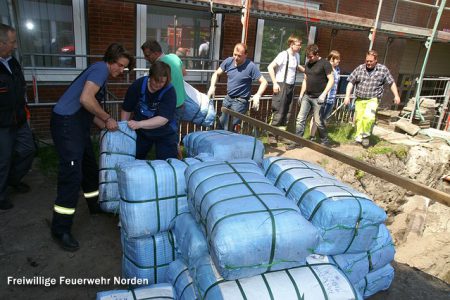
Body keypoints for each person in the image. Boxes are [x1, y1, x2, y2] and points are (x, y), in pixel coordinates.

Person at [50, 43, 133, 251]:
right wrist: (107, 118)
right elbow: (86, 99)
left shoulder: (101, 75)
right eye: (121, 66)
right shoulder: (99, 69)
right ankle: (60, 229)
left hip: (78, 125)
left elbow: (88, 110)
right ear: (111, 60)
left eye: (124, 67)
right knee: (72, 175)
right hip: (67, 125)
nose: (121, 71)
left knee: (89, 166)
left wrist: (105, 126)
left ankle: (94, 205)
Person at [0, 24, 36, 210]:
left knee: (28, 150)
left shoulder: (12, 63)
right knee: (3, 159)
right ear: (1, 42)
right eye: (12, 42)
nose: (14, 46)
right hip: (2, 124)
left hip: (19, 119)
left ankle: (13, 180)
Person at [121, 61, 178, 160]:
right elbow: (127, 109)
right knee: (134, 159)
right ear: (149, 76)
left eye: (162, 82)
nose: (158, 85)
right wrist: (123, 130)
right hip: (142, 133)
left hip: (165, 132)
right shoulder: (137, 86)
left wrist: (139, 124)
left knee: (167, 163)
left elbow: (162, 119)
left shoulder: (169, 91)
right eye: (156, 80)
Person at [344, 50, 400, 145]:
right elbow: (350, 82)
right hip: (360, 99)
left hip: (373, 99)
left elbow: (391, 82)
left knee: (369, 117)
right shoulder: (360, 69)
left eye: (371, 61)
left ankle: (365, 135)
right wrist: (347, 96)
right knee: (359, 119)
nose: (368, 63)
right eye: (367, 61)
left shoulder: (382, 70)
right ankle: (358, 139)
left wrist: (396, 95)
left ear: (376, 60)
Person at [207, 43, 267, 130]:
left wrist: (258, 95)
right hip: (228, 99)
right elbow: (216, 73)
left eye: (239, 56)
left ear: (245, 55)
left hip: (240, 102)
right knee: (220, 125)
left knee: (228, 127)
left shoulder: (251, 66)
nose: (236, 58)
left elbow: (264, 82)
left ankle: (228, 142)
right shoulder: (229, 61)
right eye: (234, 54)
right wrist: (212, 86)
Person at [288, 44, 334, 149]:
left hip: (319, 97)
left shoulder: (325, 64)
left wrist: (324, 94)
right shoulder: (308, 64)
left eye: (311, 56)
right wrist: (301, 95)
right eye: (308, 57)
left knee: (318, 120)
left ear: (317, 54)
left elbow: (331, 80)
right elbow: (305, 79)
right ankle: (298, 141)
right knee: (300, 118)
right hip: (307, 96)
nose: (310, 58)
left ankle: (324, 140)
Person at [141, 40, 186, 119]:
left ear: (156, 53)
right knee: (173, 129)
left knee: (162, 130)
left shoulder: (157, 66)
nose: (145, 58)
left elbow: (154, 87)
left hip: (167, 105)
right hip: (181, 104)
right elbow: (184, 73)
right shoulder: (174, 57)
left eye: (147, 55)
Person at [267, 34, 304, 130]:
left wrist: (309, 71)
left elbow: (297, 67)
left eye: (300, 45)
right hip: (281, 85)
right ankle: (272, 135)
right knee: (278, 111)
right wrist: (274, 83)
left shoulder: (297, 56)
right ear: (291, 44)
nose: (300, 47)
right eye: (298, 44)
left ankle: (281, 134)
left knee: (287, 111)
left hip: (291, 86)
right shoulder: (283, 55)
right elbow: (270, 67)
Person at [310, 50, 341, 140]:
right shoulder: (326, 68)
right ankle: (312, 136)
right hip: (323, 97)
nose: (339, 61)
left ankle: (320, 137)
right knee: (316, 117)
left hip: (331, 98)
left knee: (323, 119)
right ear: (332, 59)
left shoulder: (338, 70)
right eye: (337, 59)